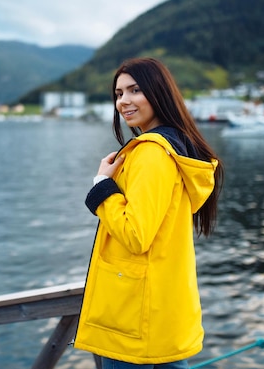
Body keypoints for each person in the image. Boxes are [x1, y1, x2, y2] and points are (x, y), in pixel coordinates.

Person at [73, 57, 224, 369]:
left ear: (159, 93)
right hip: (163, 313)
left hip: (132, 319)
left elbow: (135, 235)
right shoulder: (176, 149)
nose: (124, 101)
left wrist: (102, 187)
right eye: (118, 94)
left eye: (135, 90)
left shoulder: (151, 154)